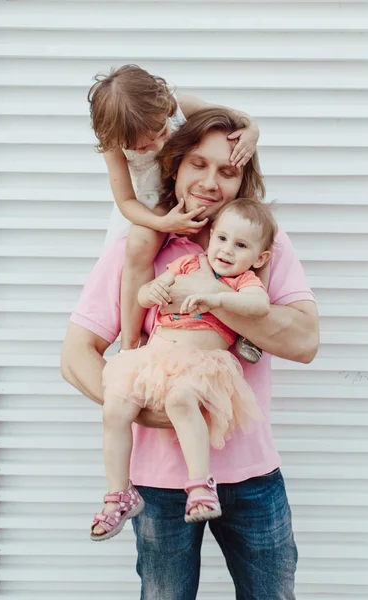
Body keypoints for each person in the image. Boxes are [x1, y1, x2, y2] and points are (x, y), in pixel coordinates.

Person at [62, 107, 319, 599]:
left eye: (228, 170)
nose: (209, 181)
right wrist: (146, 408)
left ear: (243, 180)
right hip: (157, 487)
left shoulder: (262, 247)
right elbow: (76, 355)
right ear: (174, 165)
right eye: (198, 164)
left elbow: (305, 342)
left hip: (252, 475)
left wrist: (214, 293)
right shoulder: (137, 248)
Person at [90, 199, 277, 541]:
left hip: (200, 365)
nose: (226, 250)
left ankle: (200, 484)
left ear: (260, 258)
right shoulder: (188, 263)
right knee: (115, 408)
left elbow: (259, 305)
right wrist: (153, 289)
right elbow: (145, 296)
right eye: (221, 239)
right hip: (155, 359)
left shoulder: (242, 282)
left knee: (181, 400)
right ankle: (120, 492)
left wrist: (218, 298)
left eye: (241, 245)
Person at [88, 64, 261, 362]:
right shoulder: (114, 147)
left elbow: (235, 117)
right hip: (153, 204)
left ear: (165, 106)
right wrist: (161, 222)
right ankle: (130, 341)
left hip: (193, 188)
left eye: (162, 132)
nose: (159, 145)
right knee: (140, 243)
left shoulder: (181, 105)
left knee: (245, 234)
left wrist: (253, 131)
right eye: (142, 148)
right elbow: (126, 201)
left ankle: (250, 329)